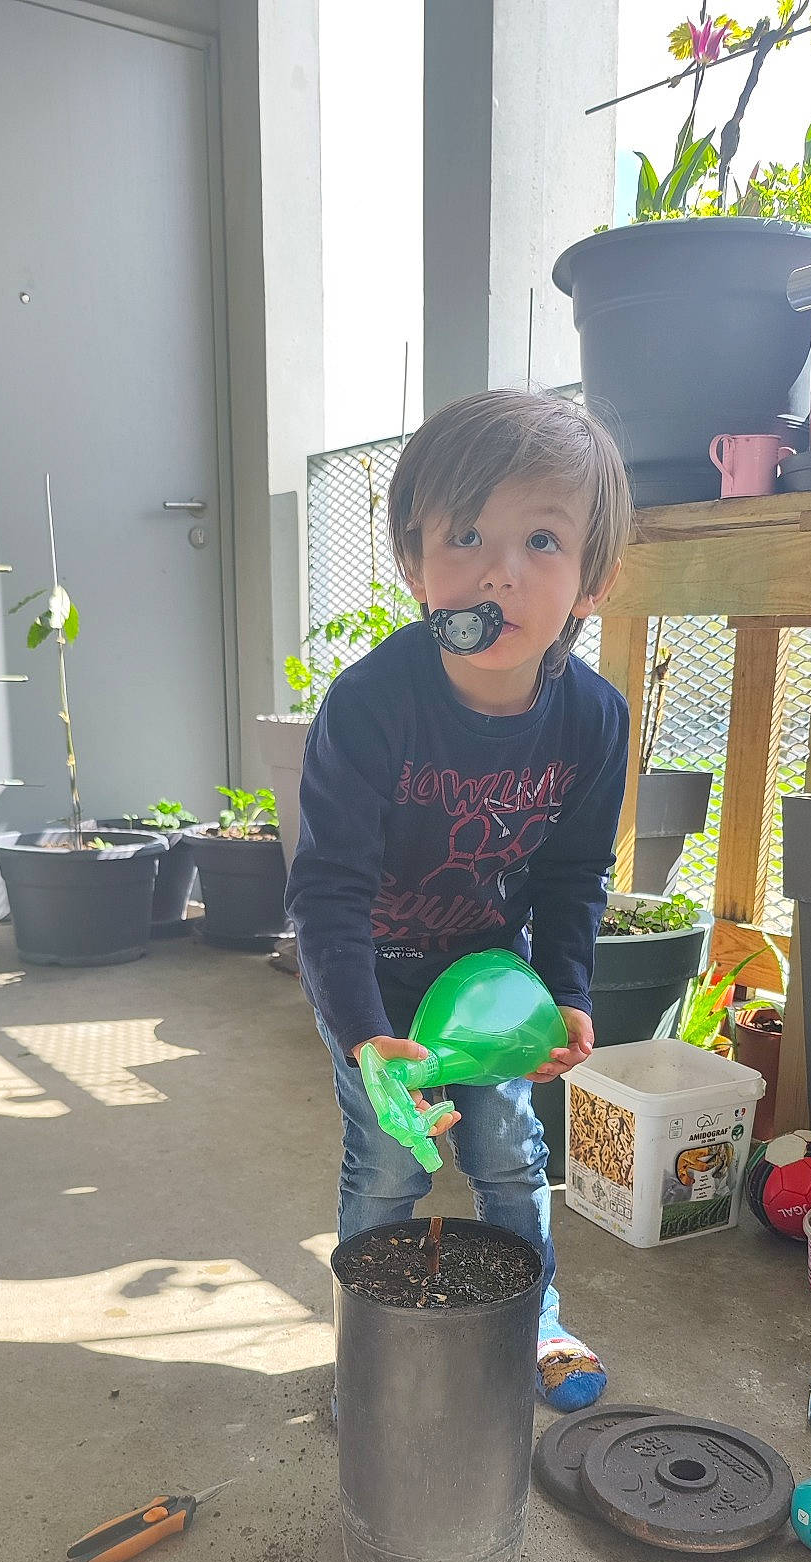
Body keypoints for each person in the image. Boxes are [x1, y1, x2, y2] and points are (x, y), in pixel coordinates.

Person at [286, 388, 634, 1412]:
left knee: (506, 1151)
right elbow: (328, 887)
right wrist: (362, 1033)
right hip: (372, 977)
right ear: (413, 561)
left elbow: (574, 875)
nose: (498, 570)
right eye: (465, 534)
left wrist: (566, 990)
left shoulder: (592, 720)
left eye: (540, 539)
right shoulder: (370, 703)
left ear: (591, 581)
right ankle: (372, 1342)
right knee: (390, 1164)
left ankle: (537, 1317)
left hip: (487, 976)